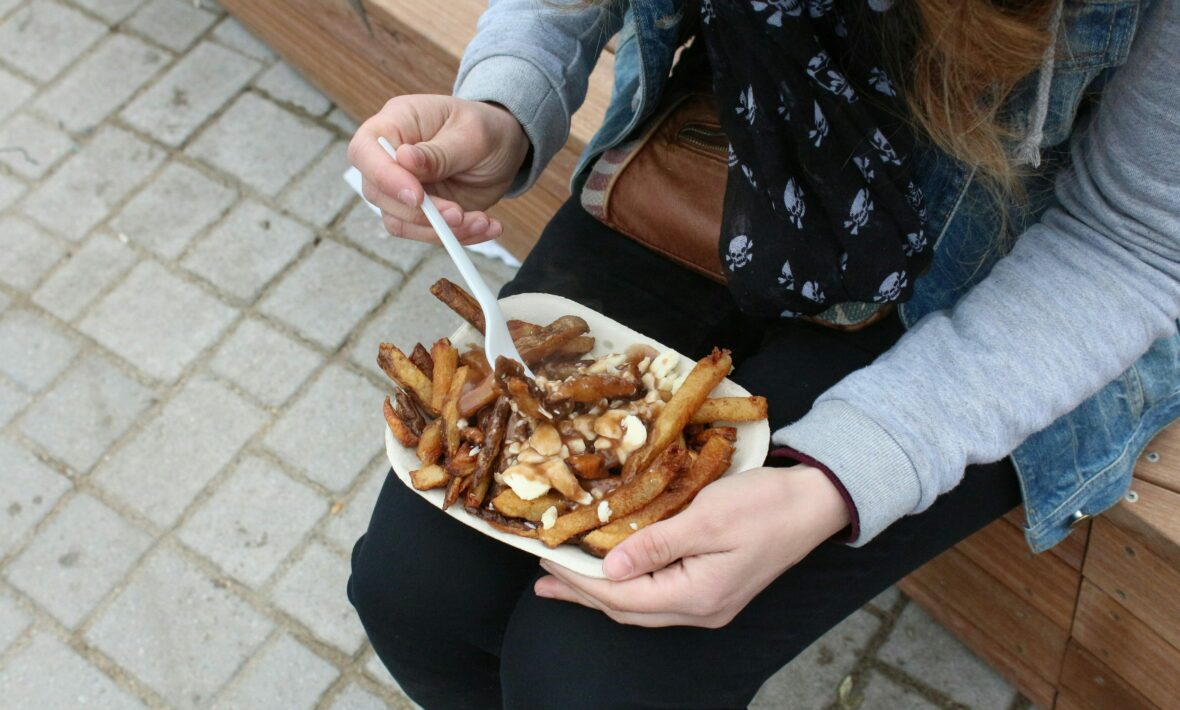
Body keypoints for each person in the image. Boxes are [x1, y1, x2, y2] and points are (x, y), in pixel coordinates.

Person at [346, 0, 1179, 707]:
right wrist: (505, 98)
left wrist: (838, 480)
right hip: (733, 135)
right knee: (412, 597)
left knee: (593, 677)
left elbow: (1136, 242)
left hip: (1003, 269)